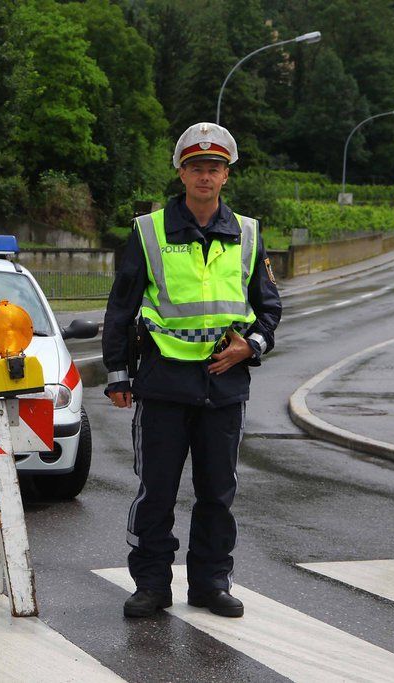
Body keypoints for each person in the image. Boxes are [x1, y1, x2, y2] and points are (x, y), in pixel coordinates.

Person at [101, 122, 281, 619]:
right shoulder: (149, 231)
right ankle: (151, 585)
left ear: (226, 175)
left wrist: (252, 346)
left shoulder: (248, 233)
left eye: (214, 168)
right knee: (156, 492)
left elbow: (268, 308)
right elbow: (121, 307)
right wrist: (117, 373)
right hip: (163, 383)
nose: (205, 176)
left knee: (217, 495)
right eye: (196, 167)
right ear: (181, 173)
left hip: (224, 385)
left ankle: (210, 584)